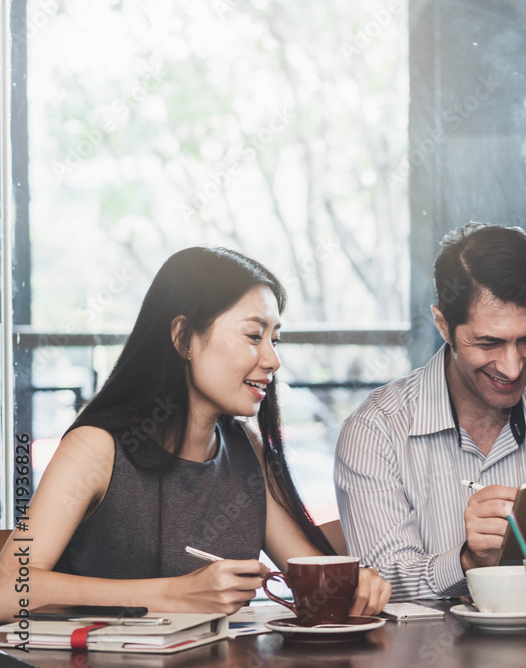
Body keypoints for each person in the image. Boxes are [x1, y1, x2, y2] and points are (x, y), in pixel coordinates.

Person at [0, 247, 390, 621]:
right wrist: (174, 594)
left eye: (275, 339)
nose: (273, 359)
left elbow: (306, 567)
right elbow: (7, 589)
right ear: (183, 337)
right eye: (254, 336)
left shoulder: (245, 448)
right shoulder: (96, 447)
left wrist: (352, 584)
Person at [335, 223, 526, 600]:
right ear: (443, 325)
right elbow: (381, 591)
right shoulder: (376, 431)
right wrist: (467, 560)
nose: (512, 368)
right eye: (488, 343)